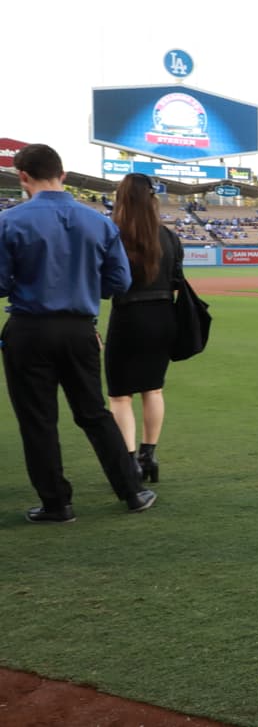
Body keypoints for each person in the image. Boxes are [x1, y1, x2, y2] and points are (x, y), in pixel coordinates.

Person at [0, 144, 157, 522]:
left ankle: (57, 503)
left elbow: (1, 282)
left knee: (38, 420)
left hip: (28, 329)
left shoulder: (10, 221)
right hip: (79, 329)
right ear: (63, 175)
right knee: (94, 413)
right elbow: (118, 281)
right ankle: (132, 491)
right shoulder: (99, 222)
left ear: (22, 176)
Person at [105, 173, 184, 483]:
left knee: (120, 396)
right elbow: (177, 280)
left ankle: (128, 465)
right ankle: (148, 456)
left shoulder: (113, 234)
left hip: (128, 316)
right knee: (153, 389)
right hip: (164, 317)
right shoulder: (169, 236)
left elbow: (108, 284)